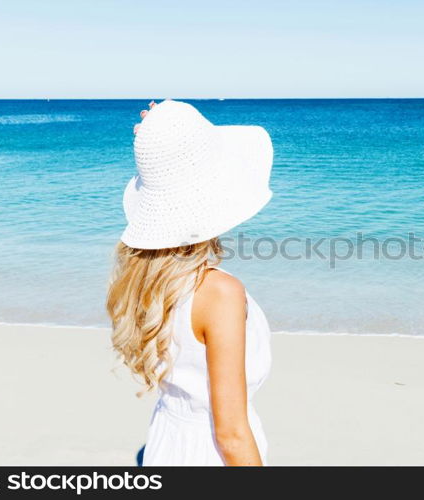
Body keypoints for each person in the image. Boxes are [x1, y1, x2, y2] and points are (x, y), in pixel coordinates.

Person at [106, 99, 274, 466]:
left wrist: (164, 138)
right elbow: (230, 434)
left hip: (166, 441)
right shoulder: (220, 294)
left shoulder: (147, 278)